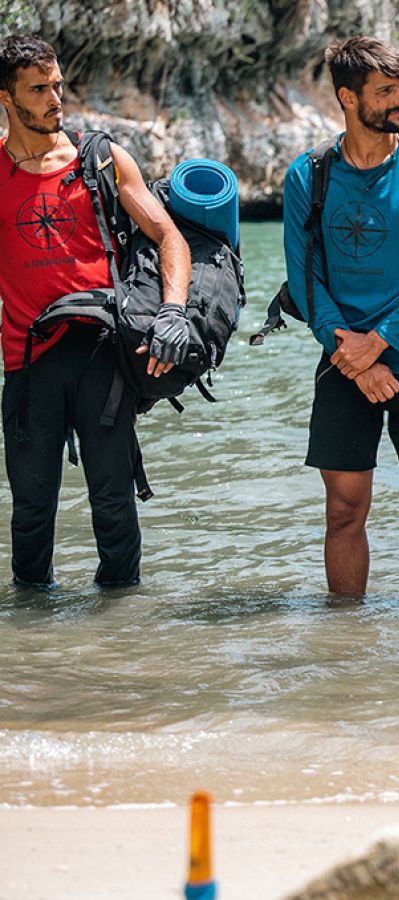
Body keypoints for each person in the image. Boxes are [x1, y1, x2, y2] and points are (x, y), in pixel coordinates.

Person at [283, 36, 399, 599]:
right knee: (343, 513)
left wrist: (380, 343)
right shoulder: (308, 175)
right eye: (386, 91)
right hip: (343, 364)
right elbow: (305, 280)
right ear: (348, 97)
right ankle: (346, 641)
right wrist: (356, 357)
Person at [0, 34, 191, 589]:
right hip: (28, 359)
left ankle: (120, 624)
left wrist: (173, 311)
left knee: (113, 503)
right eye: (38, 89)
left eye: (57, 85)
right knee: (30, 509)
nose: (55, 98)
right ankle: (32, 628)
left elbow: (169, 237)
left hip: (102, 353)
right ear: (7, 97)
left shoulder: (100, 158)